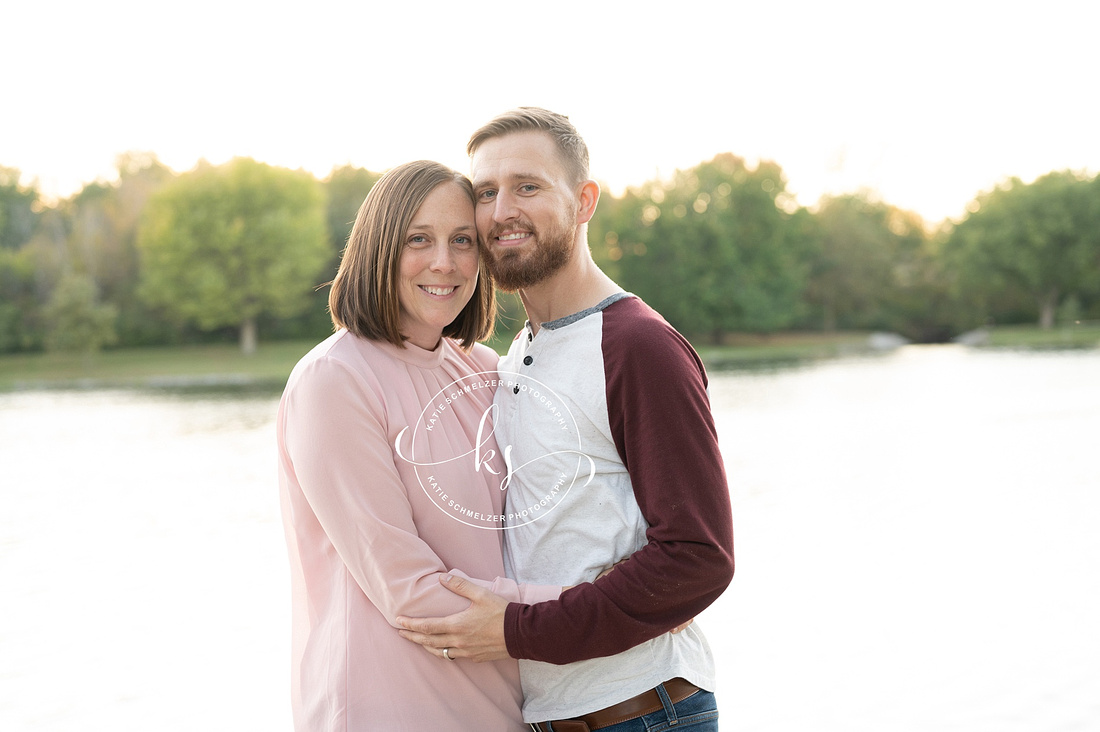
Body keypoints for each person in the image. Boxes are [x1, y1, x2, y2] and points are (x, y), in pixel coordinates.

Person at [398, 108, 735, 731]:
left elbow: (699, 557)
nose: (502, 212)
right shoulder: (518, 356)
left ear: (584, 201)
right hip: (551, 716)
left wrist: (514, 630)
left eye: (528, 187)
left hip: (644, 713)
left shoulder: (637, 345)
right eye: (486, 193)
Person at [276, 160, 563, 731]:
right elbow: (408, 593)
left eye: (462, 240)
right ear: (378, 248)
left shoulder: (484, 371)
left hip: (501, 708)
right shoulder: (335, 380)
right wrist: (598, 607)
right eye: (418, 240)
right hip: (388, 709)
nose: (444, 262)